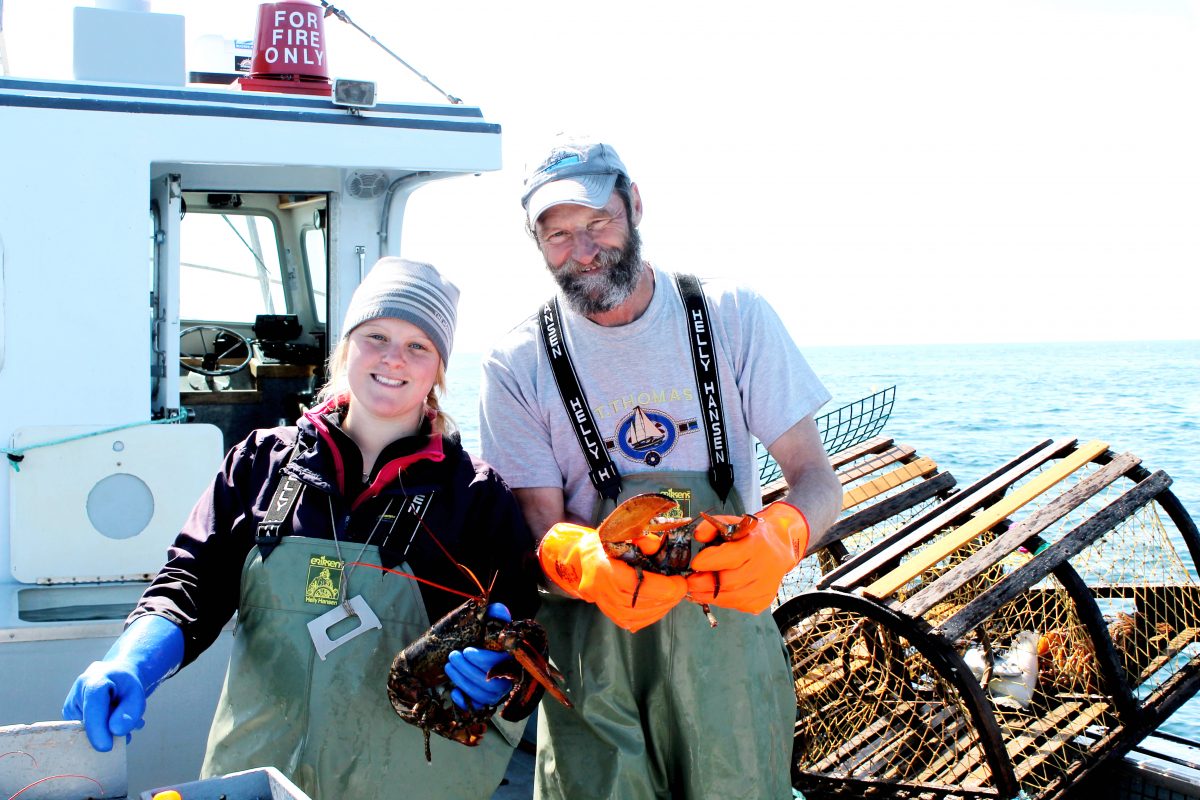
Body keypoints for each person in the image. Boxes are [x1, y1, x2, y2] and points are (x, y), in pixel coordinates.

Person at [64, 258, 542, 799]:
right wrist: (131, 662)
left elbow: (521, 629)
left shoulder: (476, 496)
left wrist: (499, 676)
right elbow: (190, 582)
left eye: (418, 346)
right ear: (344, 348)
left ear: (439, 371)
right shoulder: (260, 463)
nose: (392, 357)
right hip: (256, 774)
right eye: (376, 335)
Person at [478, 138, 844, 799]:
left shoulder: (732, 316)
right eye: (558, 234)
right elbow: (538, 523)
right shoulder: (517, 361)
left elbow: (816, 477)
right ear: (536, 242)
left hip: (726, 649)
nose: (582, 249)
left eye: (597, 223)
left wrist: (783, 534)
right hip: (592, 660)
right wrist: (575, 558)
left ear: (635, 205)